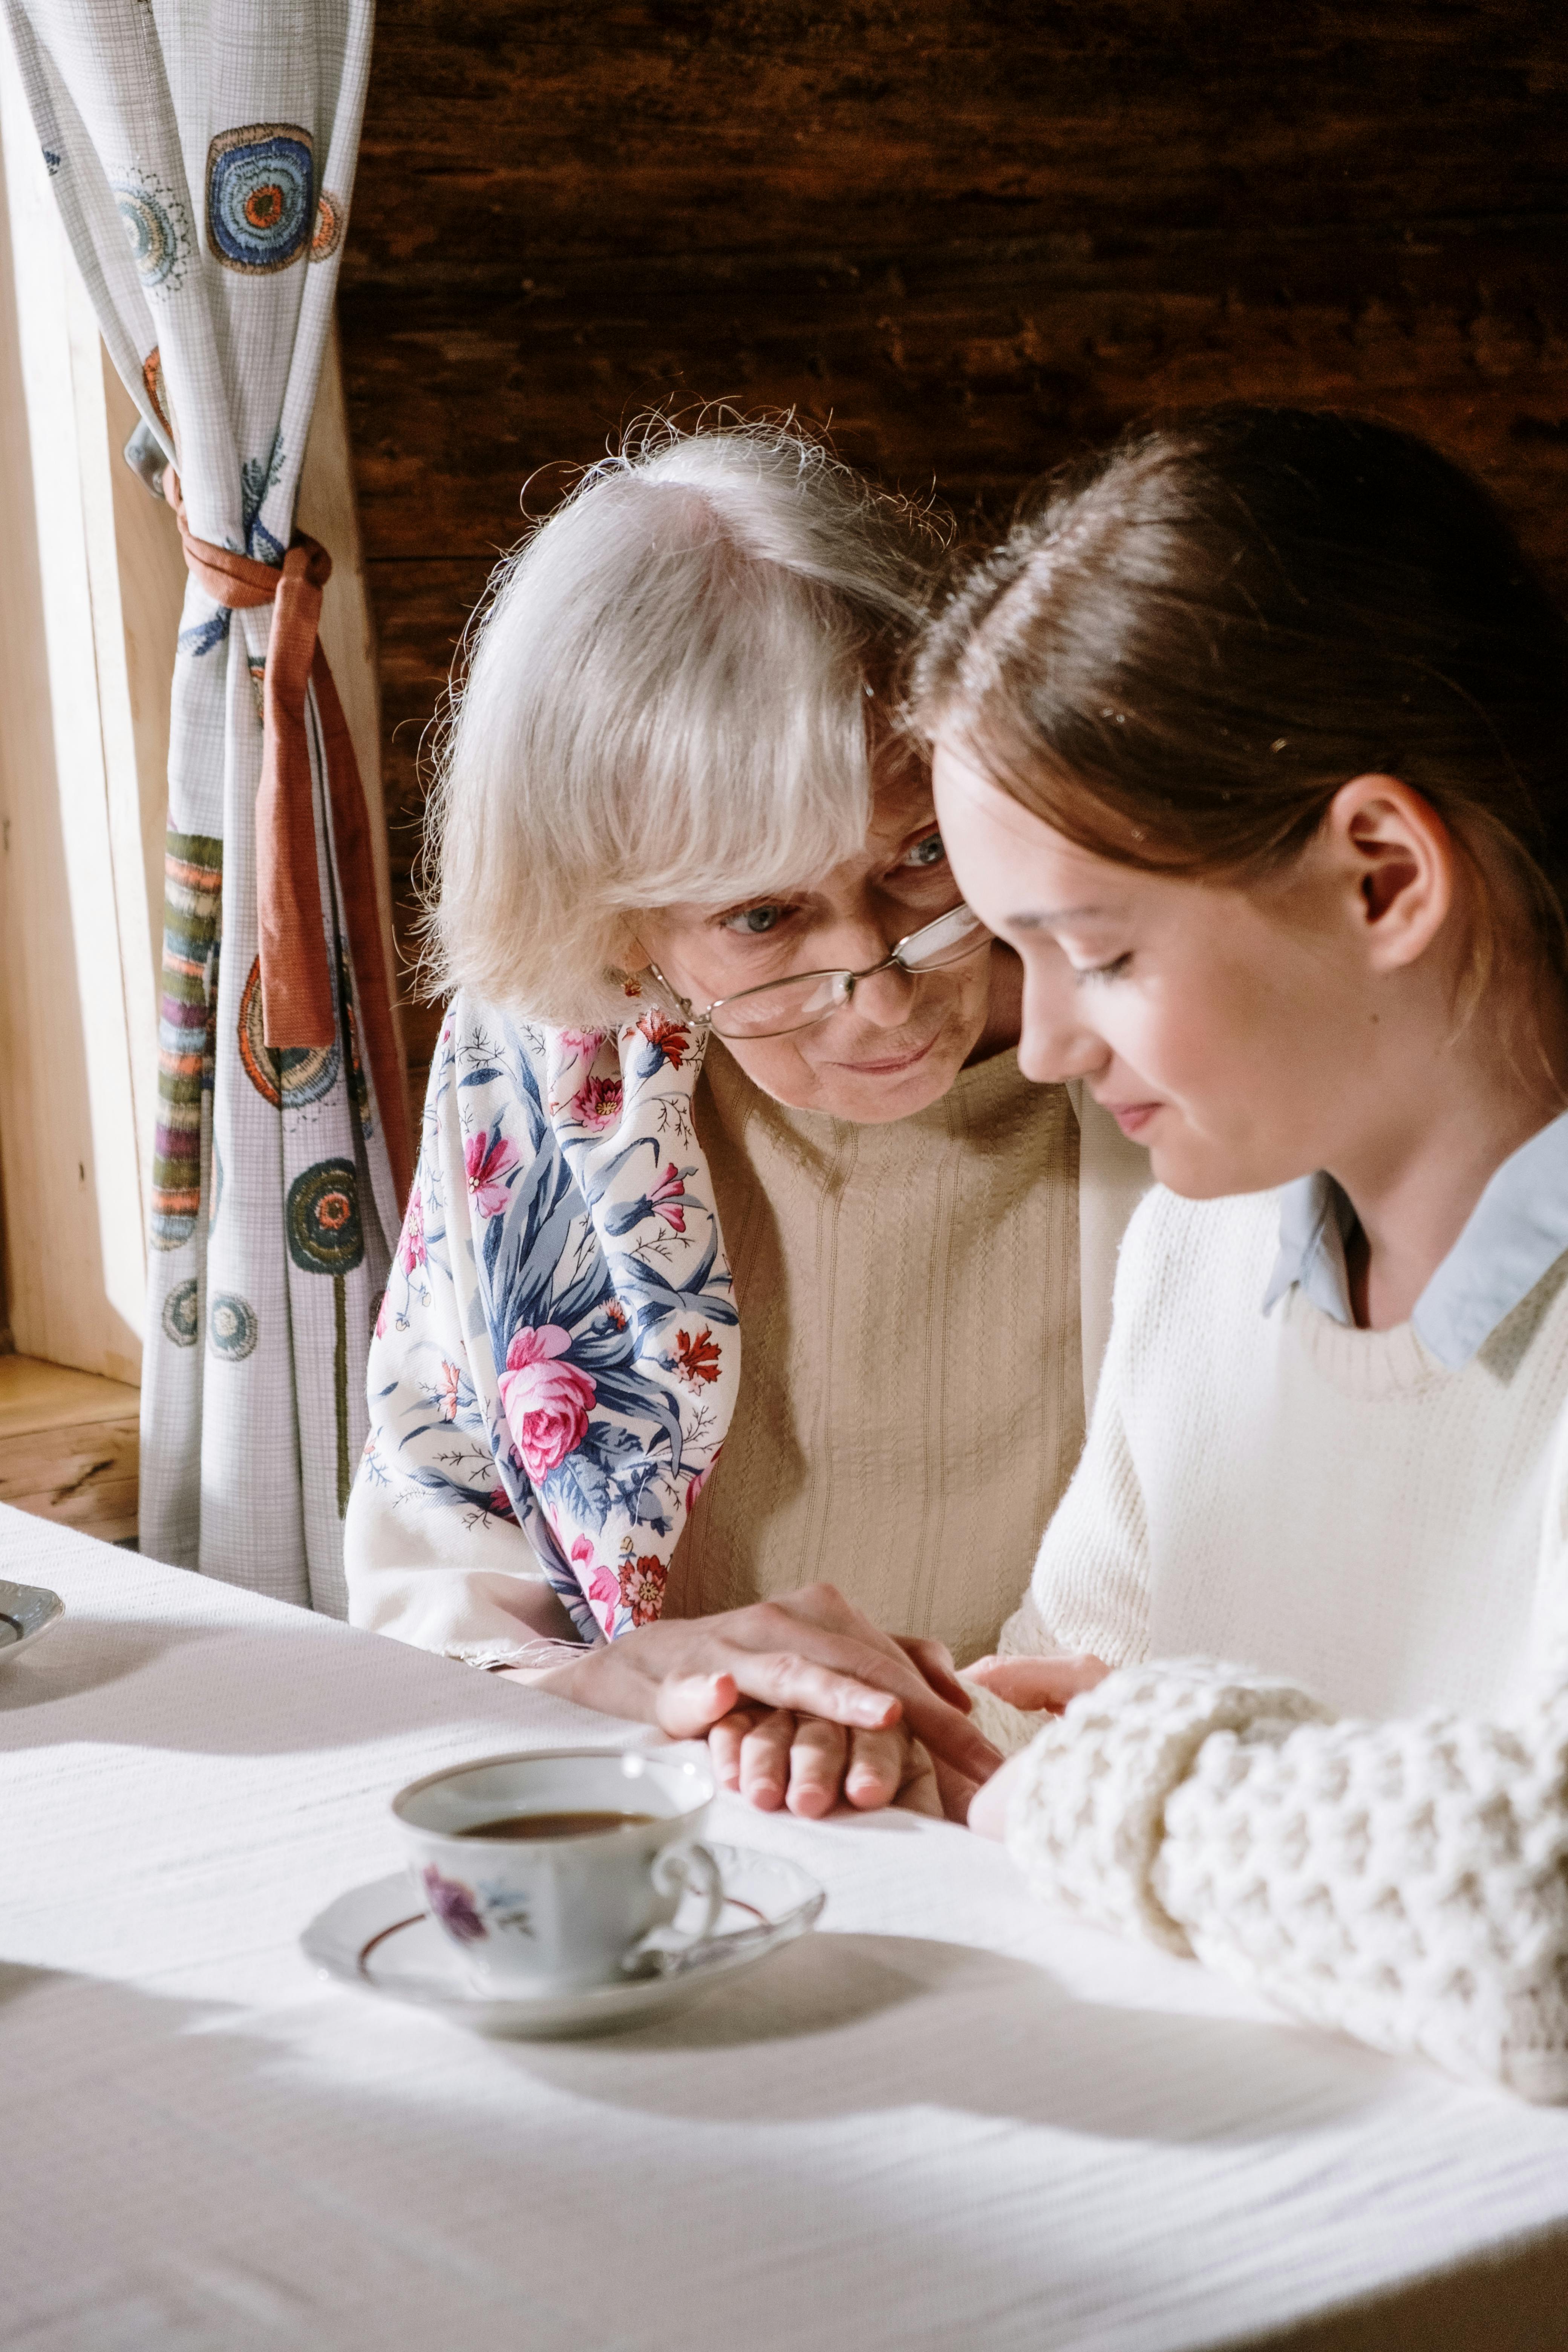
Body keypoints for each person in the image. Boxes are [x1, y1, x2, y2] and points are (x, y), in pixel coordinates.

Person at [345, 421, 1148, 1820]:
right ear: (620, 924)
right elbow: (424, 1608)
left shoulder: (1161, 1043)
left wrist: (958, 1754)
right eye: (765, 917)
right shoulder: (545, 1076)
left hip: (1092, 1805)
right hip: (684, 1810)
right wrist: (644, 1678)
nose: (886, 997)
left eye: (920, 859)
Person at [914, 405, 1568, 2098]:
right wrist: (900, 1736)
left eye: (1098, 952)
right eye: (1012, 956)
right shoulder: (1196, 1253)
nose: (1042, 1042)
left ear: (1376, 875)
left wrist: (1086, 1780)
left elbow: (1542, 1923)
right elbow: (1065, 1718)